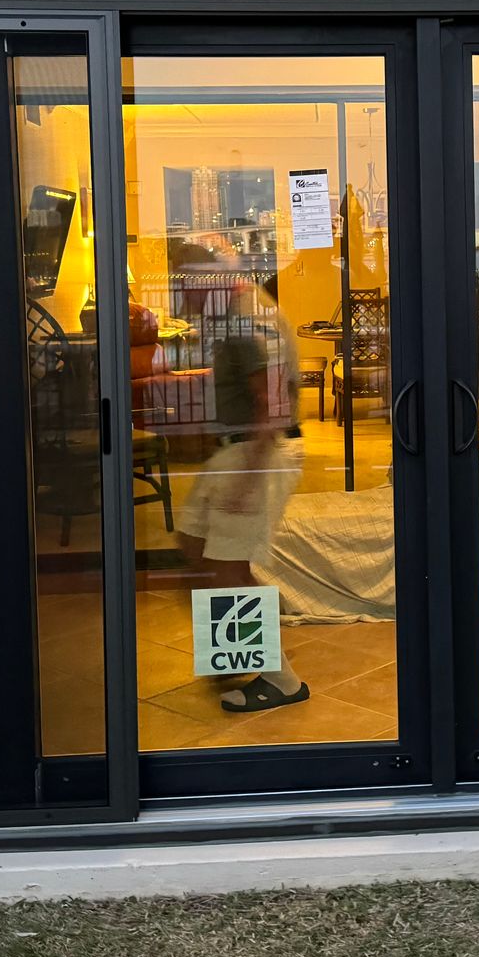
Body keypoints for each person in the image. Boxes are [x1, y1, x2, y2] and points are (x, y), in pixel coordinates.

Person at [174, 271, 309, 712]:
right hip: (235, 450)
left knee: (227, 569)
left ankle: (281, 679)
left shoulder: (246, 320)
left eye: (184, 291)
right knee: (195, 542)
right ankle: (231, 649)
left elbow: (272, 403)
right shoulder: (244, 308)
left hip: (254, 451)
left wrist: (249, 477)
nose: (184, 304)